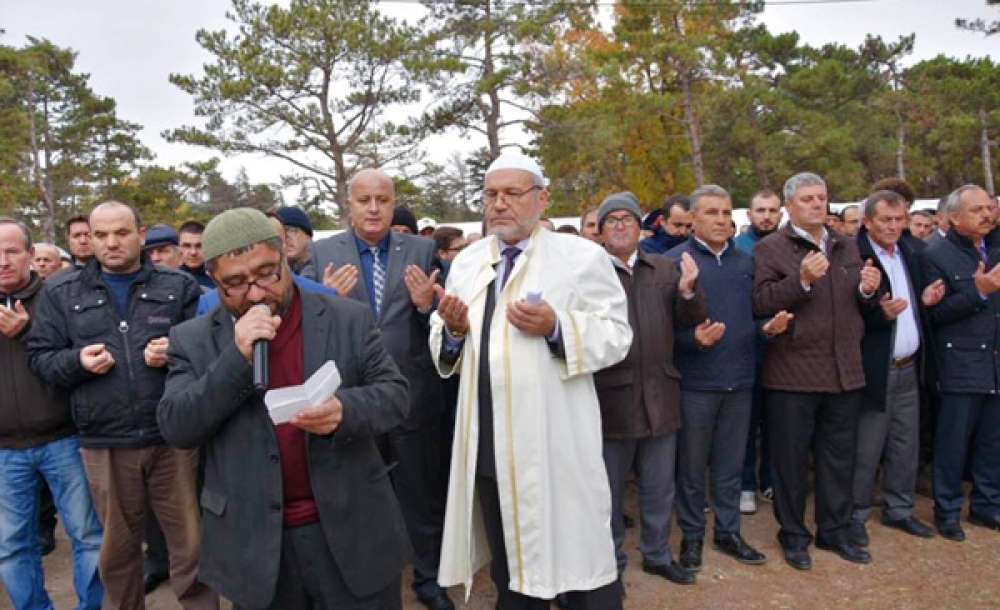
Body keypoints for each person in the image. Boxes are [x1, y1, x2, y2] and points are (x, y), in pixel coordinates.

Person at [156, 208, 410, 609]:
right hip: (256, 545)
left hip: (352, 529)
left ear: (286, 261)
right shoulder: (192, 340)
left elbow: (395, 396)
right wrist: (235, 361)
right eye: (235, 283)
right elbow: (177, 426)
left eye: (267, 273)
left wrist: (345, 410)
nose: (256, 293)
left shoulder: (347, 318)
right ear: (213, 280)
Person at [430, 152, 632, 609]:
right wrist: (455, 333)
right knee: (511, 566)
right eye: (490, 195)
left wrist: (557, 328)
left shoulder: (580, 257)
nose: (498, 204)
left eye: (511, 193)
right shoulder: (468, 262)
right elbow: (443, 340)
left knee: (580, 560)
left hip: (555, 440)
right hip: (489, 446)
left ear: (542, 199)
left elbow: (618, 335)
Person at [26, 201, 216, 610]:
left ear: (141, 234)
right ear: (88, 239)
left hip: (172, 437)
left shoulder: (177, 285)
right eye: (101, 234)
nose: (112, 242)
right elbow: (40, 358)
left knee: (191, 547)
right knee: (117, 553)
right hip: (105, 441)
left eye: (121, 232)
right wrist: (77, 362)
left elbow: (205, 352)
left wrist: (177, 351)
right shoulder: (61, 291)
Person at [311, 169, 453, 610]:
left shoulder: (423, 249)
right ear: (348, 204)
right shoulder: (320, 256)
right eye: (364, 200)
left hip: (411, 392)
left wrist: (425, 307)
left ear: (394, 204)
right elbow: (307, 327)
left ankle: (428, 580)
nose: (374, 208)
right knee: (357, 494)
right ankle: (364, 579)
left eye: (383, 200)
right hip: (351, 398)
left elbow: (443, 327)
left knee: (419, 491)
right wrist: (322, 297)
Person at [753, 172, 882, 571]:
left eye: (822, 197)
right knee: (791, 463)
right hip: (793, 373)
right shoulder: (771, 248)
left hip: (844, 370)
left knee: (838, 459)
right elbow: (761, 301)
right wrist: (802, 280)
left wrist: (867, 291)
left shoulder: (845, 244)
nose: (816, 204)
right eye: (807, 198)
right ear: (789, 206)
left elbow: (853, 303)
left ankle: (834, 531)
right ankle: (793, 535)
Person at [667, 186, 793, 574]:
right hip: (694, 384)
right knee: (691, 469)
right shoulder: (673, 263)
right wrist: (693, 340)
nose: (721, 220)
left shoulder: (746, 262)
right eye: (711, 213)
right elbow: (661, 330)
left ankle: (728, 531)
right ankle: (691, 537)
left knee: (731, 465)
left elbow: (750, 318)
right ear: (693, 218)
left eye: (725, 213)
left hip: (740, 380)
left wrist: (766, 329)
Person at [594, 192, 707, 587]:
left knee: (660, 488)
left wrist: (689, 290)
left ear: (641, 227)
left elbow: (687, 319)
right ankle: (609, 568)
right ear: (601, 231)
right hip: (611, 398)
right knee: (606, 494)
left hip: (661, 392)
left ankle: (658, 554)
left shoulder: (663, 267)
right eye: (612, 220)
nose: (621, 225)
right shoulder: (590, 272)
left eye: (628, 218)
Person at [0, 218, 104, 610]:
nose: (3, 260)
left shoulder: (58, 299)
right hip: (4, 449)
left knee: (88, 536)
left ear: (31, 255)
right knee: (11, 547)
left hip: (64, 438)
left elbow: (83, 359)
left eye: (12, 251)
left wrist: (29, 335)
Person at [850, 190, 943, 549]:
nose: (893, 226)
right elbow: (850, 310)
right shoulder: (855, 254)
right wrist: (879, 313)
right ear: (868, 221)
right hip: (875, 366)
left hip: (909, 366)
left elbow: (911, 302)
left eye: (899, 219)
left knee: (906, 442)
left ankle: (899, 508)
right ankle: (855, 513)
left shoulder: (911, 252)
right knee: (867, 445)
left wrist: (925, 302)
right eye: (885, 220)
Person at [922, 184, 1000, 540]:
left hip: (994, 362)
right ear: (954, 218)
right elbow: (935, 316)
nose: (987, 215)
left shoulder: (994, 249)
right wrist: (979, 291)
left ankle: (986, 506)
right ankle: (948, 509)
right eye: (977, 210)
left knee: (992, 441)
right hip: (959, 364)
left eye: (989, 208)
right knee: (953, 442)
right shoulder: (935, 254)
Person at [734, 189, 783, 515]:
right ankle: (746, 484)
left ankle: (771, 479)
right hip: (748, 347)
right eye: (760, 210)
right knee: (747, 423)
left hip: (784, 349)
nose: (766, 216)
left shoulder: (787, 246)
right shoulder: (739, 249)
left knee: (777, 422)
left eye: (772, 210)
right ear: (749, 215)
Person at [274, 206, 316, 280]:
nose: (286, 237)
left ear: (308, 236)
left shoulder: (323, 266)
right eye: (281, 231)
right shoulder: (276, 273)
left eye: (292, 230)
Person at [178, 220, 216, 290]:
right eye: (187, 246)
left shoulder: (219, 279)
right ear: (179, 248)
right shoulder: (171, 280)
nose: (193, 252)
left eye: (199, 246)